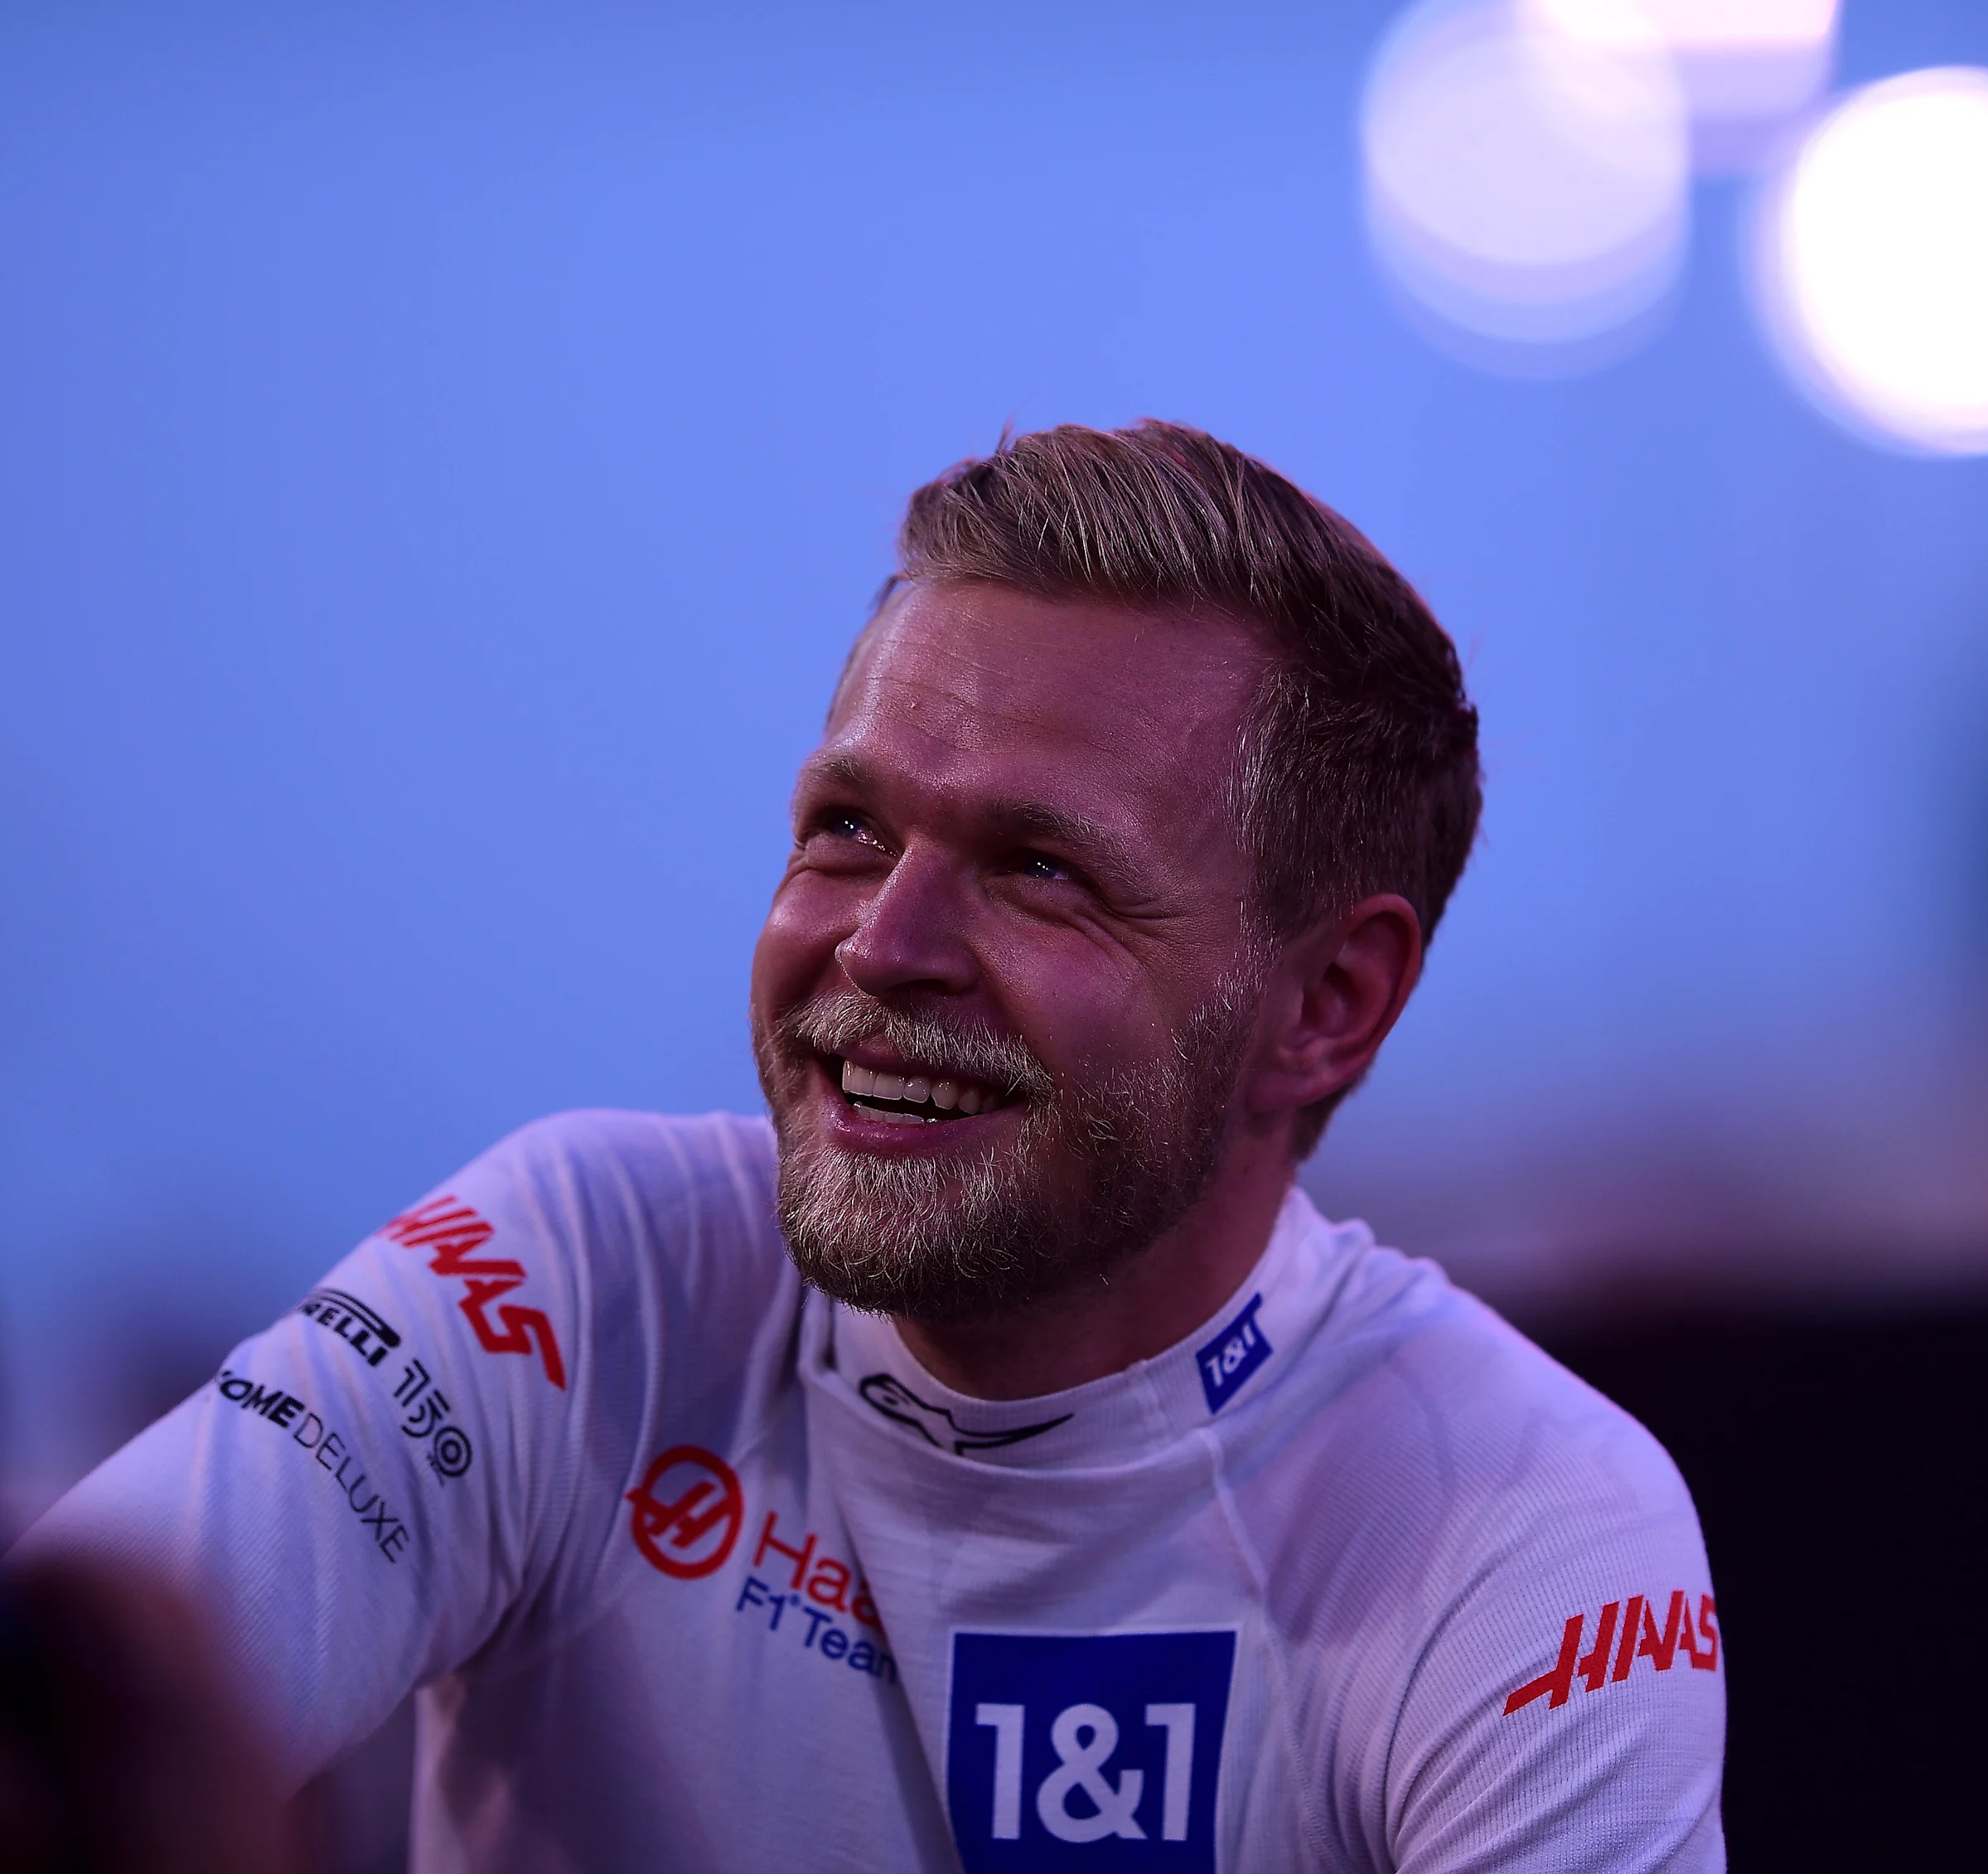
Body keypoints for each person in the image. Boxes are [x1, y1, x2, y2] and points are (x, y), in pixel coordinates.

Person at [12, 421, 1724, 1872]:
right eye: (847, 828)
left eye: (1043, 867)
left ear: (1327, 1004)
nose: (881, 945)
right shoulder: (583, 1272)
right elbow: (74, 1715)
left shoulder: (1523, 1524)